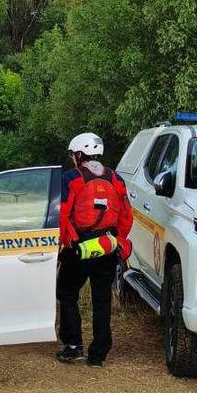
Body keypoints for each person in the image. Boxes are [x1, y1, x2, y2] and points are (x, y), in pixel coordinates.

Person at [55, 132, 133, 367]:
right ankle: (98, 354)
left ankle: (73, 346)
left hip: (78, 247)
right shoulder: (116, 178)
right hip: (107, 246)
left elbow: (62, 213)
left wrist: (65, 242)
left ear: (79, 154)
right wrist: (117, 240)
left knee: (67, 293)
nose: (72, 158)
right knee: (102, 299)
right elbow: (126, 215)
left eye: (73, 154)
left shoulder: (71, 178)